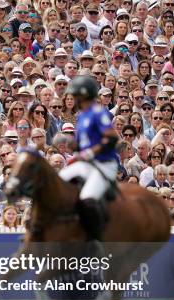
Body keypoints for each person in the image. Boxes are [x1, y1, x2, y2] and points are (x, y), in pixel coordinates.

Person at [59, 76, 119, 247]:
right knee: (59, 182)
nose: (74, 98)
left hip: (103, 164)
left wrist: (90, 153)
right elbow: (82, 145)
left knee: (87, 198)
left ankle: (95, 239)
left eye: (76, 95)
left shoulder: (98, 113)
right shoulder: (82, 116)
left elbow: (111, 138)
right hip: (86, 164)